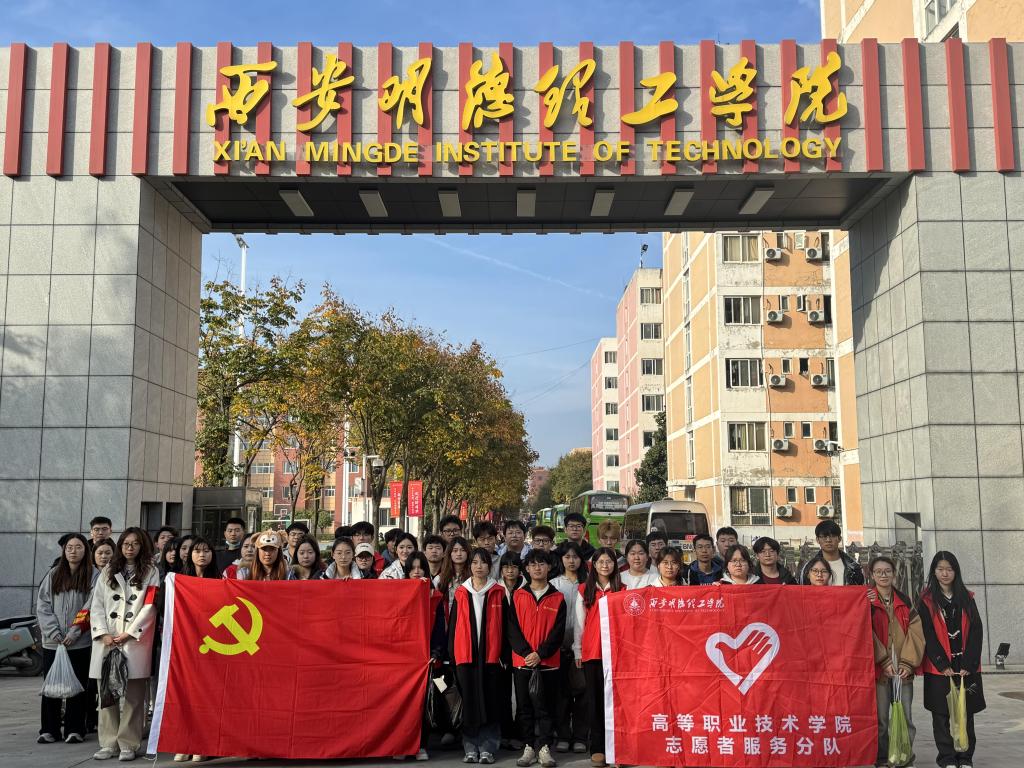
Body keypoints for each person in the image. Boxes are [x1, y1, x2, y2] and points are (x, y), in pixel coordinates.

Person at [89, 528, 160, 762]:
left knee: (134, 697)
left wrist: (130, 632)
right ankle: (108, 743)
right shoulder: (108, 570)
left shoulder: (151, 572)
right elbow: (97, 605)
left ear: (142, 546)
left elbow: (150, 606)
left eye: (135, 543)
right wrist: (102, 633)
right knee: (106, 695)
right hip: (107, 641)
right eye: (126, 543)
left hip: (135, 642)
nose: (130, 548)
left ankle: (128, 743)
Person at [917, 552, 985, 768]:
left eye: (949, 569)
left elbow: (976, 631)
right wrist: (941, 664)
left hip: (965, 666)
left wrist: (969, 664)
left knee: (966, 714)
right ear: (934, 572)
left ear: (956, 572)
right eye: (940, 569)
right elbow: (926, 634)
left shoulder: (967, 597)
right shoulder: (926, 600)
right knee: (941, 715)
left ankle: (965, 758)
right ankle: (947, 758)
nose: (945, 573)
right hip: (939, 668)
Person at [508, 550, 566, 768]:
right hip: (522, 663)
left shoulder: (558, 597)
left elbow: (558, 633)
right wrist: (526, 653)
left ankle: (544, 748)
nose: (537, 568)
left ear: (549, 567)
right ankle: (529, 747)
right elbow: (512, 629)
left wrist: (540, 654)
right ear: (527, 569)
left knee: (547, 707)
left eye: (542, 564)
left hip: (548, 663)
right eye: (533, 564)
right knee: (524, 708)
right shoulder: (517, 595)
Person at [449, 548, 506, 765]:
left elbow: (507, 626)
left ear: (490, 566)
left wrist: (505, 657)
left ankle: (488, 747)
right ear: (469, 566)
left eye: (483, 562)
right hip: (466, 657)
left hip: (491, 657)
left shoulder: (498, 592)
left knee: (490, 701)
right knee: (470, 702)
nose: (478, 566)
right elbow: (453, 627)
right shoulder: (461, 593)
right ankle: (470, 746)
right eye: (474, 562)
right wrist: (452, 656)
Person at [36, 533, 93, 745]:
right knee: (52, 686)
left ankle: (75, 729)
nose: (73, 551)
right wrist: (53, 632)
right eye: (69, 547)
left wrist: (75, 632)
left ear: (85, 550)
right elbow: (43, 605)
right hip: (53, 642)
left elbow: (91, 606)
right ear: (64, 550)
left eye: (78, 547)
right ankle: (49, 729)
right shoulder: (53, 574)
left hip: (79, 642)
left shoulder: (93, 575)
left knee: (77, 686)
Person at [869, 556, 924, 768]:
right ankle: (883, 758)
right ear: (872, 575)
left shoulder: (905, 601)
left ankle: (904, 756)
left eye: (887, 571)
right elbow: (865, 633)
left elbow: (916, 633)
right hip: (880, 671)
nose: (883, 575)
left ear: (894, 574)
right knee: (881, 719)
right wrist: (882, 660)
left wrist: (908, 663)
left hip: (902, 669)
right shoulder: (867, 602)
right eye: (878, 571)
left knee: (906, 716)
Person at [574, 548, 623, 768]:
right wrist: (578, 650)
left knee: (616, 702)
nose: (605, 565)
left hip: (617, 654)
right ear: (593, 565)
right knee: (594, 702)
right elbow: (578, 623)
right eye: (600, 561)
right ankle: (598, 748)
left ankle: (619, 748)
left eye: (609, 561)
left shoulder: (622, 589)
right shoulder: (584, 589)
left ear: (615, 564)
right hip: (593, 652)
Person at [550, 543, 587, 755]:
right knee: (561, 695)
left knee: (582, 693)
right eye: (567, 557)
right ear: (561, 559)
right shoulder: (554, 583)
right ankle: (563, 735)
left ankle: (580, 736)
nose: (571, 561)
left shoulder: (588, 583)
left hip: (583, 647)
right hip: (559, 646)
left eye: (575, 557)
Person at [497, 551, 526, 751]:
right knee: (503, 694)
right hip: (501, 650)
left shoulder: (527, 589)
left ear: (520, 570)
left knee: (523, 695)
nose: (510, 570)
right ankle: (505, 732)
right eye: (506, 566)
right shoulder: (495, 589)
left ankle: (520, 733)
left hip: (523, 648)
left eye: (514, 566)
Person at [798, 519, 865, 586]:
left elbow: (860, 590)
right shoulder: (808, 568)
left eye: (832, 536)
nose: (828, 540)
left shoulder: (853, 568)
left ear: (839, 539)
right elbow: (802, 591)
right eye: (824, 536)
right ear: (817, 540)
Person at [436, 536, 472, 608]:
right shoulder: (439, 579)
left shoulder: (473, 578)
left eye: (463, 550)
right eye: (455, 550)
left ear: (468, 553)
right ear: (450, 553)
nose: (459, 554)